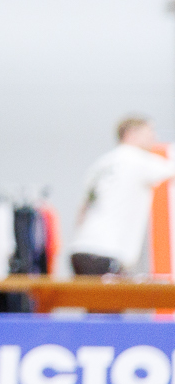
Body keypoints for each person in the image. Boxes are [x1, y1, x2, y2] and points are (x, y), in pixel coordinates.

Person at [71, 116, 175, 276]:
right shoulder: (135, 158)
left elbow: (82, 211)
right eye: (150, 132)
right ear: (131, 133)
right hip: (106, 252)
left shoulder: (101, 164)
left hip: (81, 248)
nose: (155, 137)